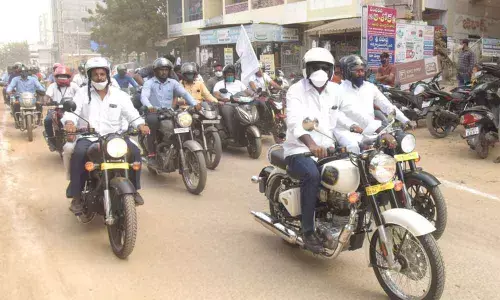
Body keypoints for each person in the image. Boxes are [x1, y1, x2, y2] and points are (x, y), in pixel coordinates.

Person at [282, 47, 355, 253]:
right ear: (306, 69)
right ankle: (308, 230)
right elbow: (295, 121)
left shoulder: (336, 90)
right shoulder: (296, 90)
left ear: (332, 70)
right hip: (299, 150)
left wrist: (374, 128)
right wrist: (311, 145)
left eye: (325, 67)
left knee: (353, 169)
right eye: (315, 67)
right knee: (312, 175)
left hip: (327, 148)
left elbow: (350, 112)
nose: (320, 72)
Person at [61, 57, 150, 214]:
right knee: (79, 154)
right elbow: (72, 113)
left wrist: (140, 125)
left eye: (102, 74)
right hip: (89, 137)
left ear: (108, 75)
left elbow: (132, 114)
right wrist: (70, 123)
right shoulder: (82, 94)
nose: (99, 77)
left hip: (115, 138)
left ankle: (134, 190)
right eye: (96, 74)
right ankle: (76, 196)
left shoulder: (119, 95)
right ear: (90, 76)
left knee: (135, 153)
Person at [334, 55, 416, 154]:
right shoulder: (339, 90)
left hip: (369, 131)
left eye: (362, 70)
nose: (360, 73)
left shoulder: (370, 87)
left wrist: (405, 120)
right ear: (347, 72)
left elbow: (386, 105)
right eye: (356, 71)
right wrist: (380, 130)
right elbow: (356, 114)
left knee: (392, 149)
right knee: (355, 150)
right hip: (348, 133)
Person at [140, 57, 198, 167]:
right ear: (155, 71)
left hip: (169, 111)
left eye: (166, 70)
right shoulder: (149, 83)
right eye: (161, 69)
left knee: (184, 123)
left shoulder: (173, 83)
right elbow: (144, 97)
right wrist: (149, 106)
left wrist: (195, 104)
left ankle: (183, 149)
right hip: (154, 111)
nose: (164, 72)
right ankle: (151, 155)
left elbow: (184, 94)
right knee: (152, 123)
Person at [43, 65, 80, 151]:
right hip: (56, 108)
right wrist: (46, 101)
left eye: (64, 76)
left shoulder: (73, 86)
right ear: (56, 77)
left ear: (68, 77)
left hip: (71, 109)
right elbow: (47, 95)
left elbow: (80, 95)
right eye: (60, 76)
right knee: (47, 120)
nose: (62, 78)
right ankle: (51, 140)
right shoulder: (53, 86)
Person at [213, 64, 250, 139]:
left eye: (231, 75)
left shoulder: (239, 83)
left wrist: (253, 94)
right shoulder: (219, 84)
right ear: (224, 75)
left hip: (240, 104)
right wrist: (222, 99)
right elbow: (215, 94)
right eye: (228, 75)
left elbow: (247, 92)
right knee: (227, 112)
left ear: (234, 75)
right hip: (227, 104)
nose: (230, 76)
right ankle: (231, 133)